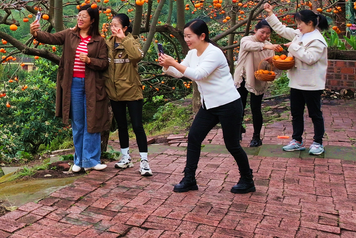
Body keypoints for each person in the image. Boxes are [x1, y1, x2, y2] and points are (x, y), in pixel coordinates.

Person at [158, 19, 254, 194]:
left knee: (232, 145)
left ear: (202, 36)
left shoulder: (214, 53)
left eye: (189, 36)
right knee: (194, 138)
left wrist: (173, 63)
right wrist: (167, 66)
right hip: (209, 105)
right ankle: (189, 179)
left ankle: (247, 179)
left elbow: (199, 74)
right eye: (185, 36)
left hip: (228, 104)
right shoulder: (193, 53)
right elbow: (181, 72)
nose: (187, 40)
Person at [30, 6, 110, 172]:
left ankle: (92, 160)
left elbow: (104, 63)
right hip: (73, 84)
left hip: (92, 86)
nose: (80, 19)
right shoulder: (69, 34)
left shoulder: (99, 41)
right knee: (78, 123)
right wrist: (36, 33)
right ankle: (79, 161)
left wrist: (89, 60)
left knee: (92, 122)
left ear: (92, 20)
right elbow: (50, 38)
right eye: (79, 15)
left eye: (84, 17)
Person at [263, 3, 329, 155]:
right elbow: (282, 29)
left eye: (300, 23)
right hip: (297, 82)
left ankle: (318, 142)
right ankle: (297, 140)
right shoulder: (301, 35)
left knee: (315, 114)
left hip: (311, 84)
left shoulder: (317, 41)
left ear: (310, 23)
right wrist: (270, 14)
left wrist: (293, 47)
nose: (298, 26)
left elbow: (310, 58)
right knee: (296, 113)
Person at [105, 13, 152, 176]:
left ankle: (144, 161)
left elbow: (137, 56)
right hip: (115, 92)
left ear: (124, 28)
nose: (113, 28)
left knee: (138, 126)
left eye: (116, 26)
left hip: (132, 91)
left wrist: (124, 39)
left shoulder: (132, 41)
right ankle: (125, 157)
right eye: (111, 25)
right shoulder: (108, 44)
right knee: (122, 126)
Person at [233, 20, 280, 147]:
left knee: (256, 108)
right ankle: (238, 131)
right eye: (262, 32)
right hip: (242, 78)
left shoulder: (269, 46)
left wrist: (271, 62)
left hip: (258, 79)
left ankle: (256, 137)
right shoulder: (246, 40)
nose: (264, 36)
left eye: (267, 33)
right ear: (255, 30)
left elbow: (270, 68)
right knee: (239, 107)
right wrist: (267, 46)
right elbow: (249, 46)